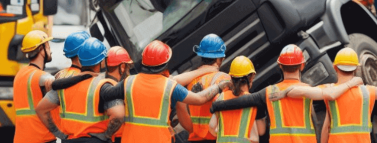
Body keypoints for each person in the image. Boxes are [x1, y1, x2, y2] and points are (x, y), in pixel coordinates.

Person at [210, 44, 363, 143]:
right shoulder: (311, 90)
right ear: (302, 66)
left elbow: (244, 101)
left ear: (280, 66)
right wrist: (353, 82)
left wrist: (217, 105)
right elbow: (317, 120)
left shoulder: (269, 91)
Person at [100, 40, 232, 143]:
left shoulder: (129, 82)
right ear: (165, 63)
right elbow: (200, 99)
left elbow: (106, 94)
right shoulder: (170, 86)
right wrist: (219, 86)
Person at [35, 38, 125, 143]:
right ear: (101, 61)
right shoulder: (102, 85)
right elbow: (118, 115)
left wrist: (59, 134)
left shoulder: (64, 84)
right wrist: (106, 135)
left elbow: (40, 109)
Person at [318, 48, 377, 143]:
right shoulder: (367, 92)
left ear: (334, 67)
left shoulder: (330, 92)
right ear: (357, 68)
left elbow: (326, 128)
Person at [181, 34, 232, 143]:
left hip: (196, 139)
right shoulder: (223, 78)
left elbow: (183, 112)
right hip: (216, 137)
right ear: (219, 59)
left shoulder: (189, 81)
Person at [12, 30, 58, 143]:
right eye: (48, 46)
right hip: (41, 138)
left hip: (21, 138)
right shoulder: (42, 77)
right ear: (41, 50)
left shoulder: (20, 74)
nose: (50, 51)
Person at [208, 56, 265, 143]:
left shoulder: (222, 96)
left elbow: (212, 126)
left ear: (231, 77)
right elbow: (260, 132)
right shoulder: (253, 101)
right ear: (251, 77)